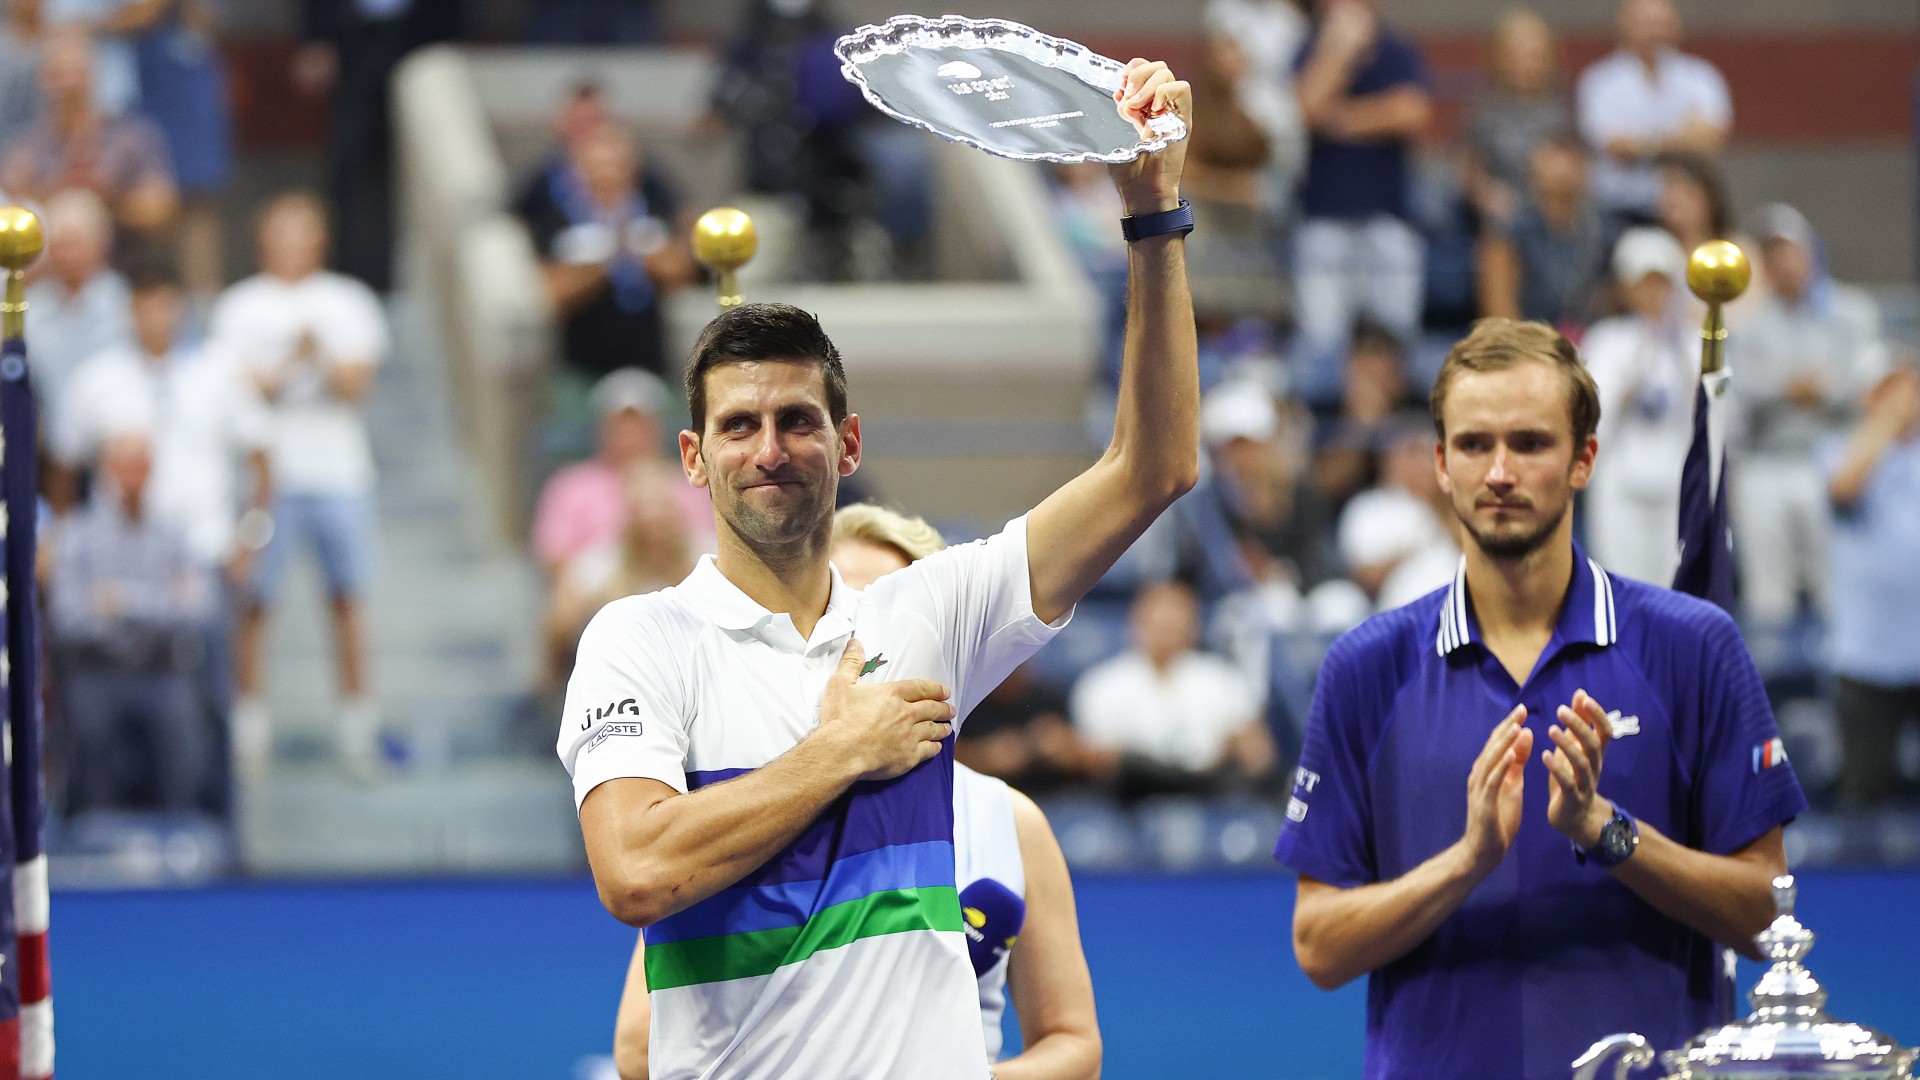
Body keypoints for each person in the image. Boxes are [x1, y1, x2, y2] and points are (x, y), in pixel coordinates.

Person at [558, 59, 1192, 1080]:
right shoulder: (638, 641)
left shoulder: (928, 613)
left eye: (798, 421)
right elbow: (635, 872)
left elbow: (1152, 468)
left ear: (848, 445)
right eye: (738, 426)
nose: (770, 448)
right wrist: (839, 752)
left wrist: (1153, 215)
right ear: (693, 459)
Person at [1273, 317, 1806, 1079]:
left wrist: (1605, 831)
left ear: (1584, 459)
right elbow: (1319, 946)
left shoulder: (1695, 646)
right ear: (1439, 464)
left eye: (1529, 443)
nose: (1498, 472)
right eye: (1473, 444)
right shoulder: (1365, 667)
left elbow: (1769, 919)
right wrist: (1468, 861)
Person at [609, 504, 1100, 1080]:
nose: (863, 648)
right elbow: (638, 1049)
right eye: (840, 619)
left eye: (890, 616)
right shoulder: (739, 807)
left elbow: (1075, 1045)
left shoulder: (1009, 821)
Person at [211, 190, 389, 777]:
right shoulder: (239, 307)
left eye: (302, 232)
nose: (291, 244)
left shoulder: (348, 300)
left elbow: (354, 385)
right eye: (281, 232)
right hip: (268, 480)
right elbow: (239, 393)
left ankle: (358, 729)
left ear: (320, 239)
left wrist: (317, 357)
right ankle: (248, 731)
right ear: (264, 239)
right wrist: (297, 357)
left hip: (340, 472)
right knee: (256, 604)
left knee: (346, 599)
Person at [1730, 204, 1885, 625]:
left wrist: (1822, 390)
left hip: (1832, 459)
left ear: (1811, 252)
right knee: (1768, 593)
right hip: (1768, 462)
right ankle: (1771, 680)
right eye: (1772, 255)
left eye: (1791, 251)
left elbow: (1871, 387)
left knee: (1837, 584)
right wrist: (1790, 389)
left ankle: (1845, 671)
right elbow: (1742, 397)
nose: (1784, 263)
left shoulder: (1852, 313)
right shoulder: (1750, 325)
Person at [47, 429, 216, 814]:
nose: (132, 477)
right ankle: (93, 832)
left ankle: (179, 830)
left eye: (140, 467)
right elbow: (68, 616)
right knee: (89, 728)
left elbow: (199, 608)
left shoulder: (176, 533)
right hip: (97, 668)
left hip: (161, 669)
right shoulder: (78, 534)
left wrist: (120, 599)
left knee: (181, 728)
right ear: (105, 471)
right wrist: (160, 602)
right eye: (123, 467)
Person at [1291, 0, 1432, 377]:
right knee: (1321, 340)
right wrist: (1338, 51)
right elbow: (1304, 109)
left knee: (1398, 333)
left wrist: (1339, 120)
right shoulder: (1307, 48)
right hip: (1323, 215)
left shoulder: (1396, 49)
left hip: (1388, 215)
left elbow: (1413, 111)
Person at [1069, 579, 1277, 803]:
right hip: (1134, 796)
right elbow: (1093, 759)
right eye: (1159, 621)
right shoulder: (1103, 683)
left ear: (1194, 625)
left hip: (1206, 790)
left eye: (1177, 620)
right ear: (1137, 622)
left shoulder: (1222, 679)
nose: (1167, 629)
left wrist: (1235, 746)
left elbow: (1259, 756)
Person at [1819, 362, 1920, 813]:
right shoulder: (1839, 449)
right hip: (1866, 658)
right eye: (1893, 392)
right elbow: (1844, 487)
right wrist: (1885, 423)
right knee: (1863, 797)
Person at [1580, 227, 1695, 585]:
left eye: (1662, 283)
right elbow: (1594, 418)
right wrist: (1633, 377)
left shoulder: (1692, 343)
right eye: (1644, 283)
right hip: (1620, 486)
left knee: (1675, 592)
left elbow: (1713, 419)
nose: (1654, 293)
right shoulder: (1606, 340)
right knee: (1622, 589)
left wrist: (1677, 355)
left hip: (1675, 485)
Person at [531, 367, 713, 577]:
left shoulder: (693, 480)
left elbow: (709, 551)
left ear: (657, 426)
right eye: (620, 424)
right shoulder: (570, 485)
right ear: (602, 427)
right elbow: (553, 558)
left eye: (638, 423)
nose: (629, 433)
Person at [1, 24, 177, 239]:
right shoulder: (27, 146)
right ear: (43, 80)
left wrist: (104, 198)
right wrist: (57, 191)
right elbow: (8, 209)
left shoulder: (132, 136)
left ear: (94, 73)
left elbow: (160, 209)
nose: (68, 86)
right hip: (50, 264)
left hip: (125, 262)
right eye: (58, 75)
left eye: (76, 74)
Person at [543, 461, 698, 690]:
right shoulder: (597, 566)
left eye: (660, 504)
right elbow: (557, 628)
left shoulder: (709, 560)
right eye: (642, 506)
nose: (652, 517)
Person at [1576, 0, 1730, 220]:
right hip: (1618, 209)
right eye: (1646, 23)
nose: (1654, 32)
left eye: (1661, 23)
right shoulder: (1599, 81)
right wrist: (1679, 139)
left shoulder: (1701, 77)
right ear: (1624, 25)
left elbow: (1709, 140)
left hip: (1690, 212)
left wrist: (1641, 144)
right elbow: (1615, 147)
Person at [1476, 132, 1610, 330]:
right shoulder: (1510, 231)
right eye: (1554, 156)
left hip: (1591, 343)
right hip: (1528, 342)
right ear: (1535, 167)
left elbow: (1610, 302)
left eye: (1572, 158)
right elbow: (1499, 309)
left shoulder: (1603, 231)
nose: (1562, 168)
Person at [22, 186, 131, 408]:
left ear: (100, 244)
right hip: (45, 431)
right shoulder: (31, 307)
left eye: (75, 243)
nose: (67, 255)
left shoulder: (125, 302)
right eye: (60, 244)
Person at [1463, 8, 1569, 228]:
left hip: (1551, 209)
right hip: (1499, 213)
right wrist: (1486, 195)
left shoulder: (1561, 112)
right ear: (1499, 58)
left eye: (1535, 56)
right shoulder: (1484, 112)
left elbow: (1573, 169)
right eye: (1517, 56)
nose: (1527, 66)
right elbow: (1471, 174)